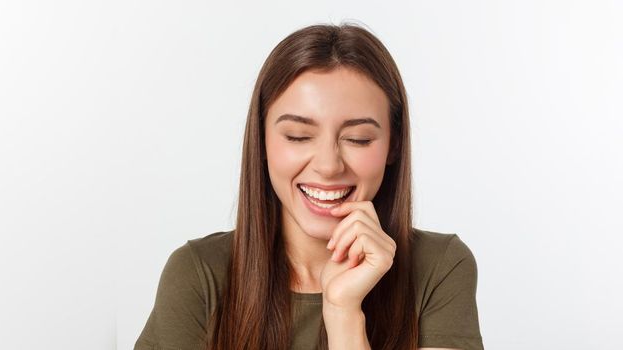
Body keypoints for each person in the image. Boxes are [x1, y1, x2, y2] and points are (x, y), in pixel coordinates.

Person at [134, 23, 484, 350]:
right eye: (298, 136)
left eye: (358, 139)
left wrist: (343, 313)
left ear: (393, 145)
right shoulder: (199, 275)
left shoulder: (440, 268)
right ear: (262, 141)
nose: (328, 165)